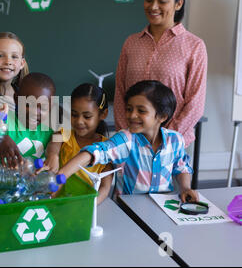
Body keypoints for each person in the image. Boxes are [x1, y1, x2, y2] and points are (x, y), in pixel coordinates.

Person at [57, 80, 198, 203]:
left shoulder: (175, 139)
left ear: (161, 116)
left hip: (163, 206)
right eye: (129, 109)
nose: (132, 115)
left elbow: (181, 167)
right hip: (129, 210)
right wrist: (61, 176)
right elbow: (96, 151)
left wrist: (185, 188)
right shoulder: (126, 139)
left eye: (141, 111)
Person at [113, 0, 207, 148]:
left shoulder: (194, 46)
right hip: (131, 142)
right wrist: (125, 133)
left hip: (171, 145)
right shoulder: (131, 43)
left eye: (162, 1)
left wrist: (165, 138)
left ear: (178, 4)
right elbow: (120, 91)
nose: (153, 6)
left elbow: (195, 102)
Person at [42, 83, 114, 205]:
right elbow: (53, 144)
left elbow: (105, 188)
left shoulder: (106, 148)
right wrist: (53, 155)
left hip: (83, 206)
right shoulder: (64, 134)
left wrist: (90, 205)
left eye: (87, 116)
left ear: (103, 114)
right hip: (57, 202)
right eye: (74, 114)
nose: (79, 121)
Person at [0, 72, 55, 168]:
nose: (35, 112)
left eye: (43, 107)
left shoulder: (49, 134)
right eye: (28, 104)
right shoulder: (4, 120)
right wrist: (1, 137)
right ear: (16, 99)